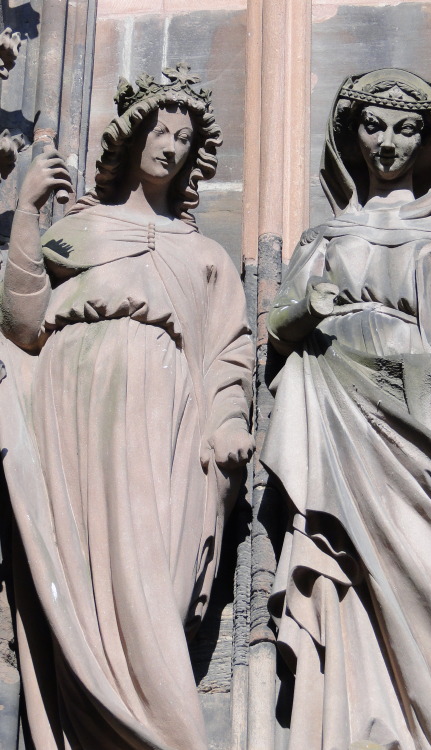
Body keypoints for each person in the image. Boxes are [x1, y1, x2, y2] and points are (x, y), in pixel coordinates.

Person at [0, 64, 253, 750]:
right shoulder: (79, 233)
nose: (169, 145)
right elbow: (21, 325)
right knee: (78, 583)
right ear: (133, 135)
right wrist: (26, 213)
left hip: (164, 416)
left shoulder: (205, 256)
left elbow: (229, 352)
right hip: (73, 407)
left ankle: (154, 730)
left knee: (154, 592)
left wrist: (227, 422)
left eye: (184, 137)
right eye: (159, 130)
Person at [261, 69, 431, 750]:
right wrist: (308, 307)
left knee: (428, 573)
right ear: (350, 136)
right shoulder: (327, 231)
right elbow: (277, 326)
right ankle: (351, 722)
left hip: (415, 420)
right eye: (373, 126)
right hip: (334, 404)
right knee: (339, 569)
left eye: (406, 128)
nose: (387, 143)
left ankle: (427, 727)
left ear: (428, 140)